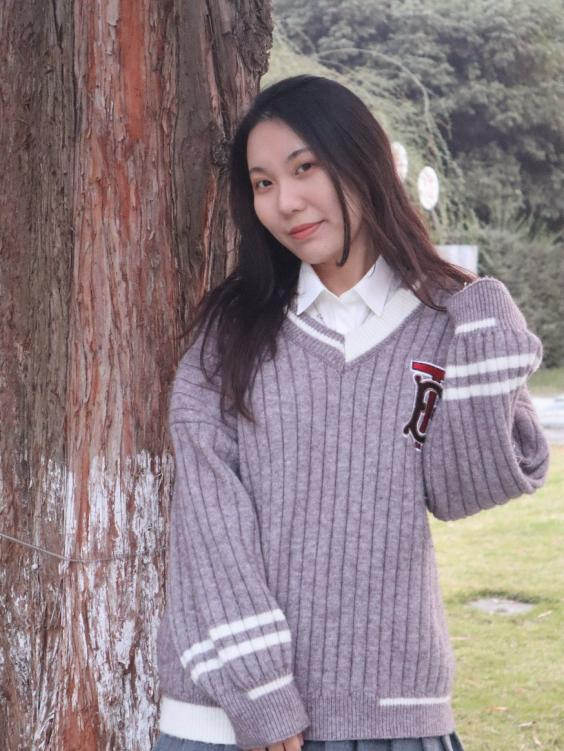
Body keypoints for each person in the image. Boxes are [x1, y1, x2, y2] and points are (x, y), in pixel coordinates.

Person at [152, 75, 550, 751]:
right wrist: (261, 692)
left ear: (363, 161)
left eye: (305, 167)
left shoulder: (440, 325)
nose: (286, 201)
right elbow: (209, 526)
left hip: (395, 712)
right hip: (228, 721)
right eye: (264, 183)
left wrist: (485, 324)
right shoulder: (230, 335)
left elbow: (463, 490)